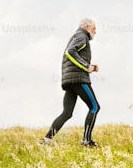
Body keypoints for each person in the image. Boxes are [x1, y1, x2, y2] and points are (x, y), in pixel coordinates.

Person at [41, 17, 101, 147]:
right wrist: (86, 67)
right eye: (94, 28)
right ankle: (86, 141)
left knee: (67, 113)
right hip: (78, 79)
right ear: (86, 27)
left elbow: (73, 54)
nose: (95, 32)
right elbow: (70, 52)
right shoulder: (82, 36)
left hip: (69, 80)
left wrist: (90, 66)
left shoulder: (76, 36)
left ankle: (46, 140)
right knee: (95, 107)